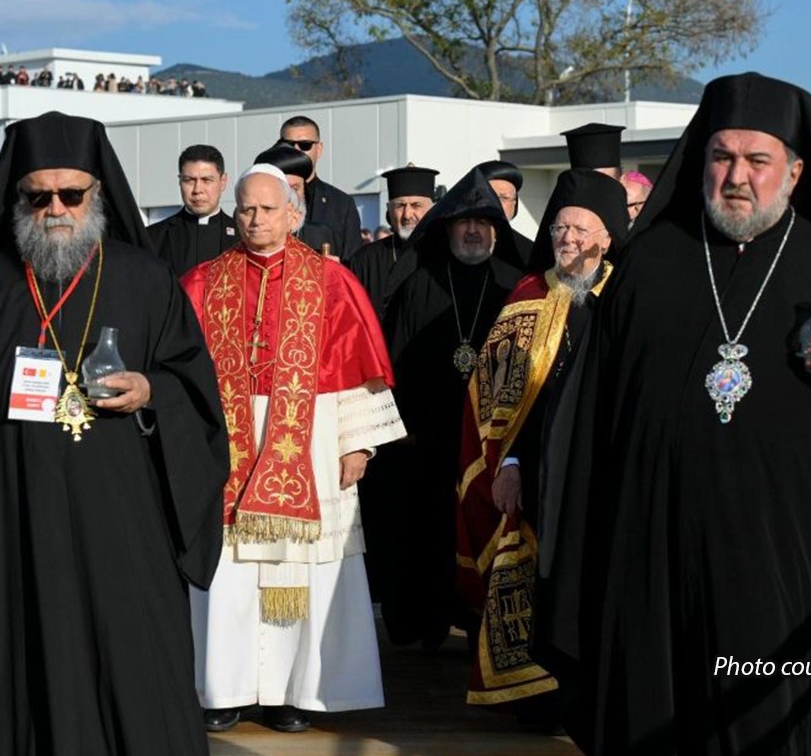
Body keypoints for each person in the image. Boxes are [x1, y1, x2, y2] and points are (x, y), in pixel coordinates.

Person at [539, 72, 811, 755]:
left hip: (788, 568)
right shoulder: (647, 267)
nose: (737, 176)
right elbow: (591, 420)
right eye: (722, 156)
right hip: (652, 559)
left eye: (757, 161)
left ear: (794, 171)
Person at [0, 111, 229, 756]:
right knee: (37, 674)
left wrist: (150, 391)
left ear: (98, 194)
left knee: (142, 672)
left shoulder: (144, 278)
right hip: (19, 523)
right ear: (18, 198)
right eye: (38, 195)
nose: (56, 208)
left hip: (128, 521)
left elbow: (195, 391)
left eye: (71, 194)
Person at [180, 164, 406, 734]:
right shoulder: (203, 281)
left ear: (292, 215)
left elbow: (360, 370)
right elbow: (178, 373)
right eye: (246, 209)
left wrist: (359, 446)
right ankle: (222, 688)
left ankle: (292, 693)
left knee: (303, 572)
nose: (255, 219)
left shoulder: (331, 281)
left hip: (311, 435)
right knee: (228, 574)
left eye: (267, 209)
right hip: (227, 441)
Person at [455, 168, 628, 712]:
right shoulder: (529, 294)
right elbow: (498, 399)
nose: (568, 239)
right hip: (538, 471)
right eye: (559, 228)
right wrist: (507, 463)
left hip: (608, 468)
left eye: (581, 229)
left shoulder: (628, 295)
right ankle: (539, 696)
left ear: (606, 237)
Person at [366, 168, 528, 649]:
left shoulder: (515, 285)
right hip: (427, 437)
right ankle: (423, 621)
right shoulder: (420, 283)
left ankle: (480, 623)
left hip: (490, 439)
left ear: (497, 228)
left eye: (483, 222)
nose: (473, 231)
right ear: (447, 227)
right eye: (464, 223)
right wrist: (404, 425)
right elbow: (395, 359)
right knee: (425, 530)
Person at [348, 164, 439, 316]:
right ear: (389, 210)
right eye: (400, 206)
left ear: (433, 209)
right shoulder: (365, 260)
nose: (407, 214)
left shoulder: (446, 252)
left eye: (416, 205)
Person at [279, 116, 364, 261]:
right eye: (288, 145)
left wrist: (336, 271)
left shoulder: (342, 205)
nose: (296, 150)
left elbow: (354, 263)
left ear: (319, 149)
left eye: (305, 145)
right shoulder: (265, 198)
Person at [147, 144, 240, 275]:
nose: (197, 190)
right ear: (180, 182)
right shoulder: (154, 238)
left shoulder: (242, 237)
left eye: (207, 180)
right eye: (189, 180)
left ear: (223, 181)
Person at [479, 160, 534, 264]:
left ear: (514, 204)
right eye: (489, 196)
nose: (496, 203)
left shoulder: (530, 252)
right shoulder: (461, 242)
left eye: (503, 198)